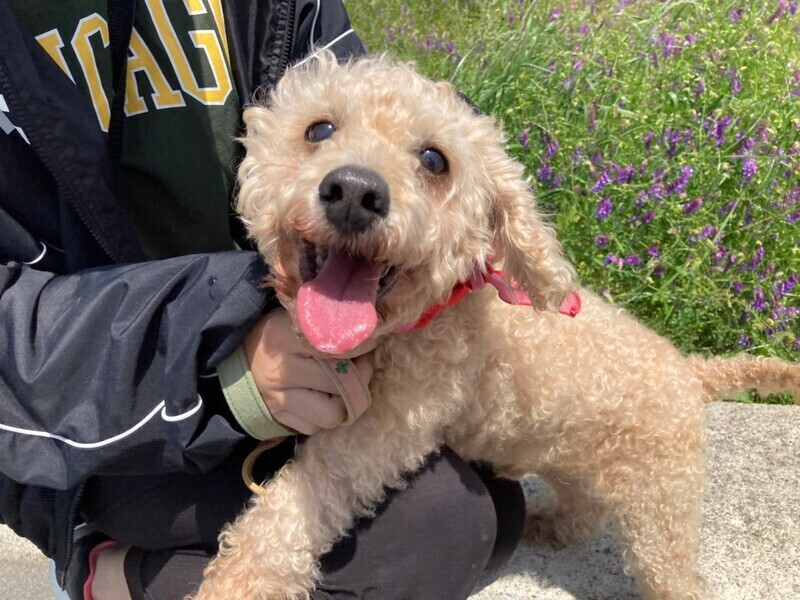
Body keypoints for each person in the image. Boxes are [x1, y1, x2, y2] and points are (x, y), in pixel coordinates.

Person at [0, 1, 525, 598]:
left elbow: (384, 101)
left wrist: (460, 210)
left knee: (499, 509)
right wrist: (220, 355)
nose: (355, 185)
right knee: (441, 524)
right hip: (80, 422)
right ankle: (105, 573)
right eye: (320, 134)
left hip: (280, 341)